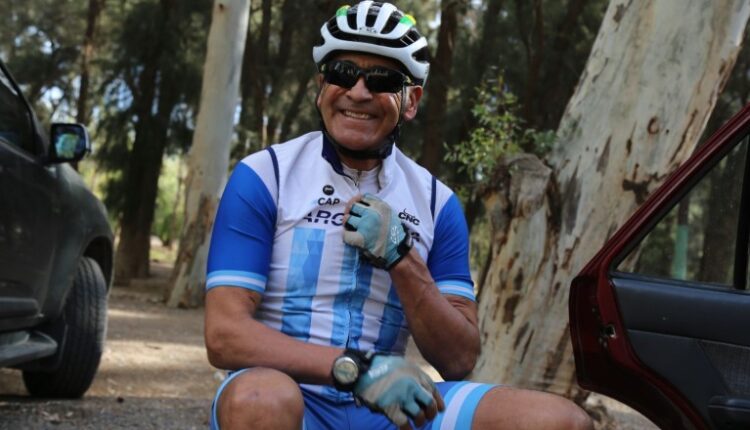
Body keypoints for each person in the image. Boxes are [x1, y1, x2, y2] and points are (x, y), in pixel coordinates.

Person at [204, 2, 594, 429]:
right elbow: (224, 335)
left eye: (382, 80)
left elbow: (459, 359)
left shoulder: (436, 203)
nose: (358, 92)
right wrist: (354, 368)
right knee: (259, 399)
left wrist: (402, 256)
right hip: (289, 397)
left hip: (391, 409)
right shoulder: (266, 176)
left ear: (411, 101)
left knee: (559, 421)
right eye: (342, 73)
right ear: (321, 86)